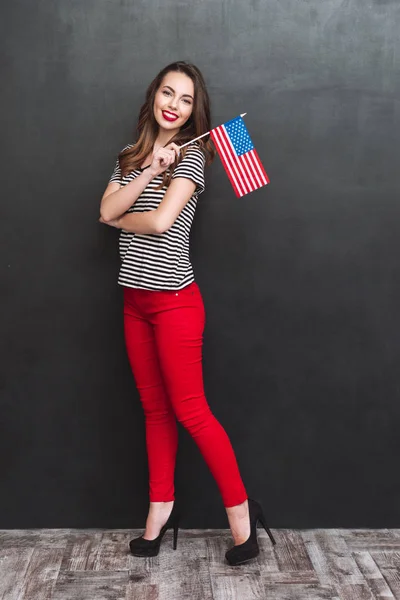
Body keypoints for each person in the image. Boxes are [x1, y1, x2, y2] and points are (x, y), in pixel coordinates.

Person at [99, 61, 276, 565]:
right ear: (153, 95)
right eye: (167, 93)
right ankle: (159, 512)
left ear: (195, 111)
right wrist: (148, 169)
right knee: (154, 412)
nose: (173, 105)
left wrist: (120, 212)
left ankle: (243, 517)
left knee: (191, 412)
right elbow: (102, 211)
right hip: (134, 302)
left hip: (176, 303)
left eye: (185, 99)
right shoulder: (130, 156)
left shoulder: (194, 158)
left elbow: (156, 222)